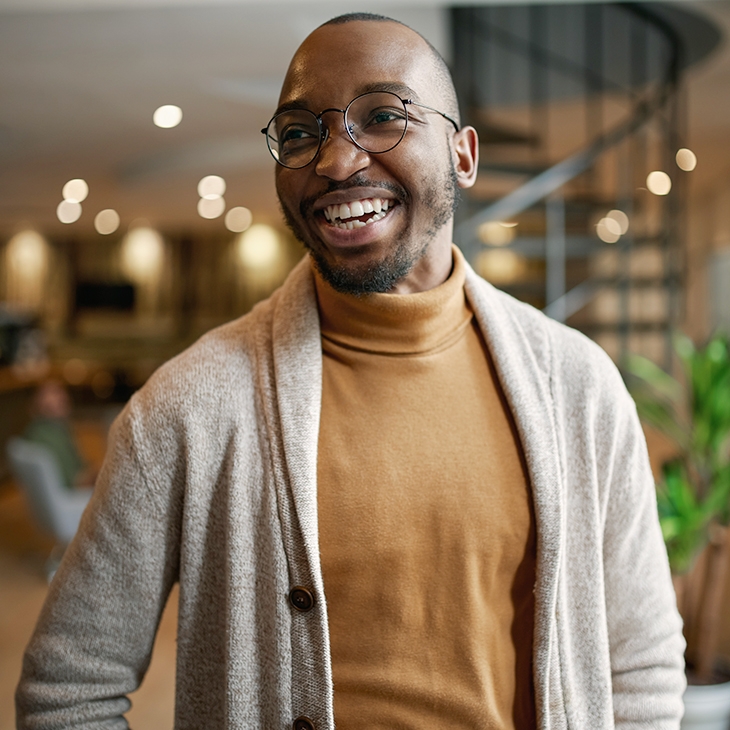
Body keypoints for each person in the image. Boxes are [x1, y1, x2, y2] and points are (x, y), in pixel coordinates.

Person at [16, 13, 685, 730]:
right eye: (301, 133)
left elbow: (640, 666)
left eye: (384, 116)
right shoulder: (186, 407)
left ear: (463, 155)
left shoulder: (578, 387)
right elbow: (68, 691)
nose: (336, 162)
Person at [23, 380, 95, 490]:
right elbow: (74, 482)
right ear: (36, 400)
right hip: (73, 496)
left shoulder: (51, 428)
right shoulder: (47, 437)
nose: (62, 397)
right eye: (53, 393)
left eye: (61, 391)